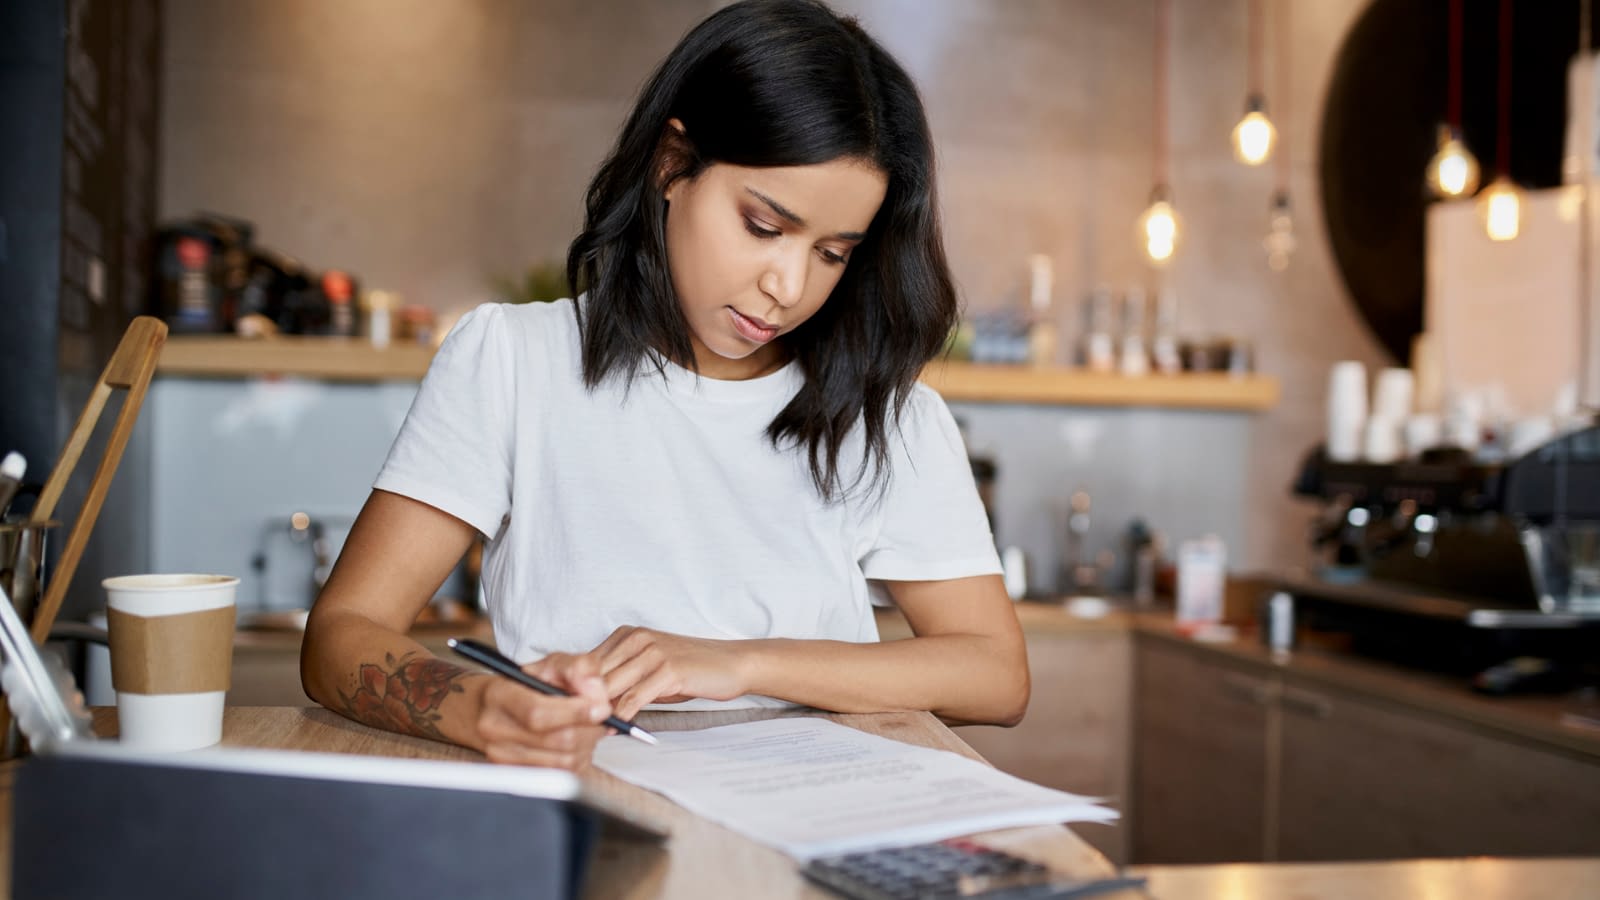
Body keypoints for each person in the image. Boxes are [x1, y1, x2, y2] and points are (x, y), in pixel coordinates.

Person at [301, 0, 1027, 770]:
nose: (788, 285)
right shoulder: (515, 359)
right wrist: (481, 707)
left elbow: (996, 675)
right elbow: (341, 633)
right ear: (673, 165)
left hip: (817, 826)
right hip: (588, 798)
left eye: (833, 253)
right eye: (764, 226)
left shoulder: (889, 416)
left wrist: (736, 663)